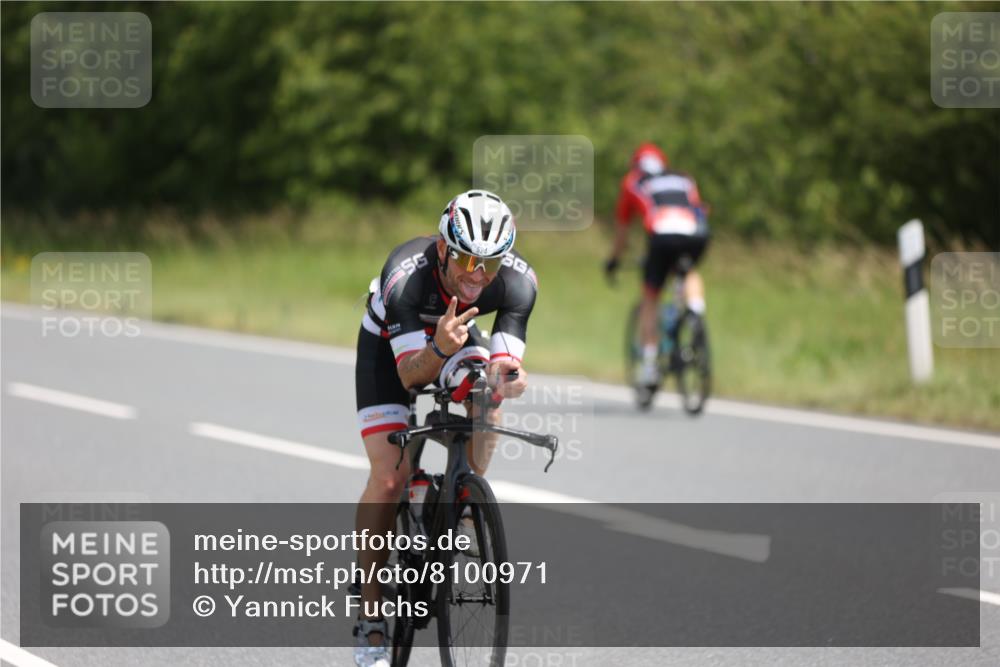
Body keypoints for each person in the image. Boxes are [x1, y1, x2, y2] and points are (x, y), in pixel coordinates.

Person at [352, 189, 536, 666]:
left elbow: (503, 361)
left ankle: (465, 500)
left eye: (489, 264)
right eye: (465, 259)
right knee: (391, 475)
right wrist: (436, 349)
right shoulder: (406, 277)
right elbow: (411, 374)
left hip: (452, 336)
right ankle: (371, 611)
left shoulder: (517, 283)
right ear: (442, 248)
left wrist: (506, 377)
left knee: (484, 394)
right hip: (393, 347)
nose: (476, 275)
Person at [605, 142, 710, 388]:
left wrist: (614, 261)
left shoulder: (633, 181)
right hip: (697, 232)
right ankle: (695, 311)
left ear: (636, 165)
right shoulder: (684, 178)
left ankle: (650, 366)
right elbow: (699, 207)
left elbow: (623, 231)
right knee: (688, 271)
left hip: (662, 233)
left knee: (650, 296)